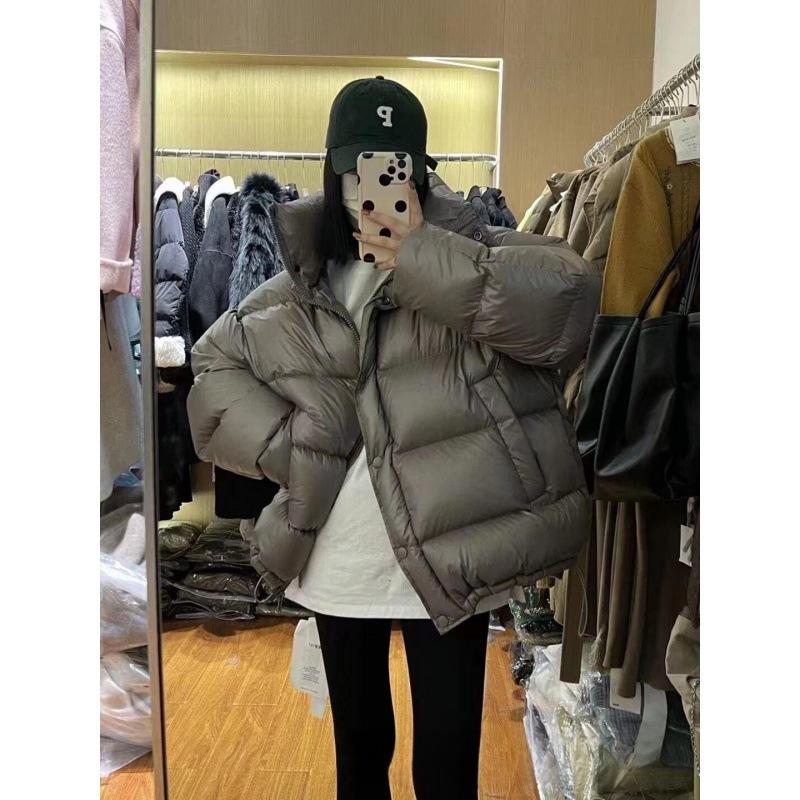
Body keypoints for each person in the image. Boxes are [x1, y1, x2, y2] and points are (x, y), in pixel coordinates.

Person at [187, 77, 600, 800]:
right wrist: (302, 447)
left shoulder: (471, 256)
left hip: (455, 551)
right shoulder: (299, 286)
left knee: (448, 761)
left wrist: (420, 255)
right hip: (341, 559)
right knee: (360, 752)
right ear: (332, 171)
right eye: (357, 168)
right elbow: (211, 372)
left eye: (392, 167)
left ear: (420, 171)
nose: (371, 187)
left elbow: (571, 307)